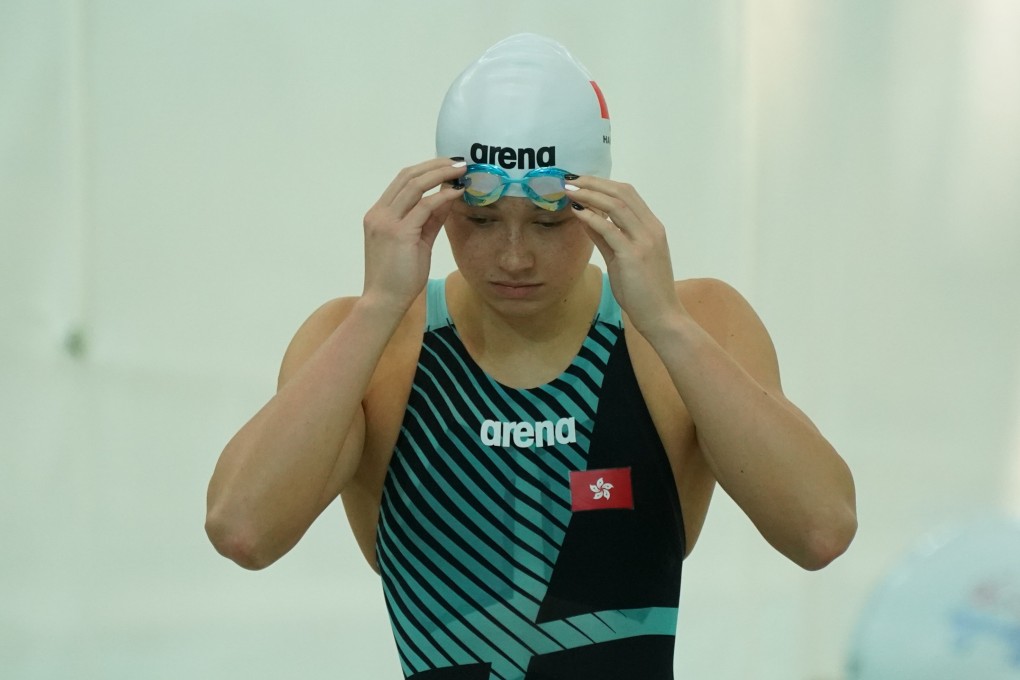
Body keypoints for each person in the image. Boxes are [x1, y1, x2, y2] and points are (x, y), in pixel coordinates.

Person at [205, 33, 857, 680]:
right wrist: (379, 306)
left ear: (600, 203)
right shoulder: (368, 346)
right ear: (439, 204)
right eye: (481, 219)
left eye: (549, 222)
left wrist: (665, 323)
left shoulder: (692, 327)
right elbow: (243, 530)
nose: (514, 257)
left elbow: (820, 530)